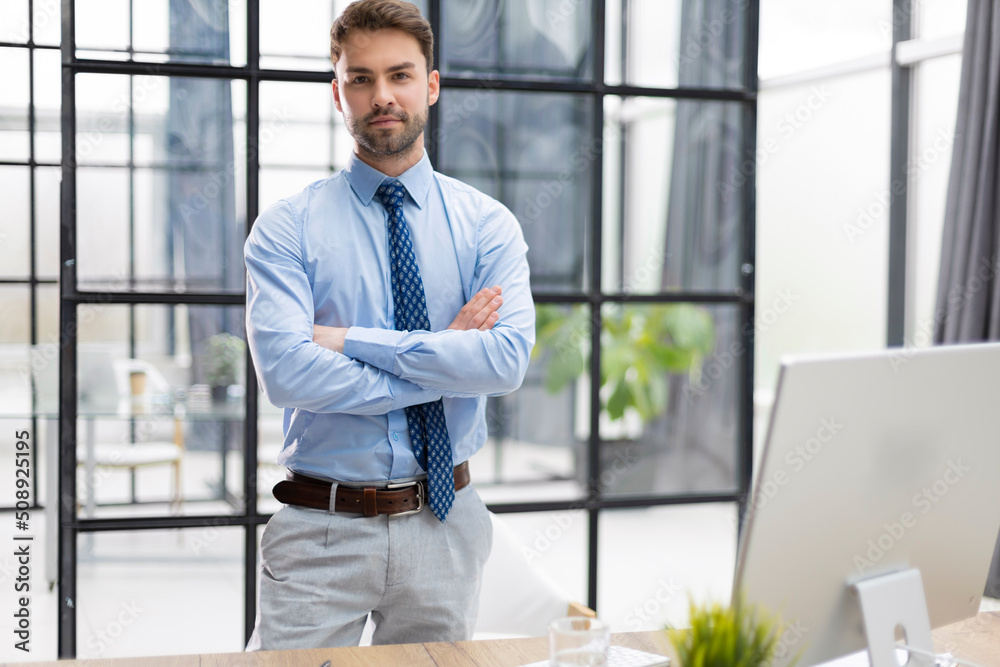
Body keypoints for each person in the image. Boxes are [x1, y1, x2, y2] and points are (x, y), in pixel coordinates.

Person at [243, 0, 535, 651]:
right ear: (337, 92)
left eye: (400, 75)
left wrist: (348, 340)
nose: (382, 95)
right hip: (321, 526)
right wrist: (446, 358)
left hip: (445, 520)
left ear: (430, 84)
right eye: (361, 78)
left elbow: (505, 361)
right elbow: (289, 374)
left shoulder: (487, 225)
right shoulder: (288, 228)